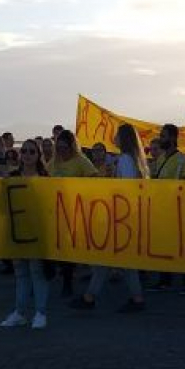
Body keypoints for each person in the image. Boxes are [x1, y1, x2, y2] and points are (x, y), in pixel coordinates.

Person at [69, 124, 148, 312]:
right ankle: (132, 298)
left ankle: (92, 297)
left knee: (107, 257)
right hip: (124, 217)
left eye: (117, 135)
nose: (114, 138)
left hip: (121, 217)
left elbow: (126, 190)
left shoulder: (126, 161)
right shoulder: (130, 160)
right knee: (120, 260)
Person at [0, 140, 51, 329]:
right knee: (21, 273)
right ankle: (20, 312)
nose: (28, 154)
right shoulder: (12, 176)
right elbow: (1, 205)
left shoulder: (46, 178)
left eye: (32, 151)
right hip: (17, 232)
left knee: (38, 272)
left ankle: (40, 312)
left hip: (37, 232)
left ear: (38, 155)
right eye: (24, 151)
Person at [50, 130, 100, 296]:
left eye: (65, 148)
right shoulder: (53, 162)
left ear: (72, 147)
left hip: (74, 212)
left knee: (68, 249)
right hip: (55, 212)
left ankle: (68, 282)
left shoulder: (80, 161)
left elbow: (95, 178)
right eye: (59, 148)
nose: (62, 152)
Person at [150, 124, 185, 294]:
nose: (161, 138)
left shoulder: (184, 160)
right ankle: (165, 281)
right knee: (165, 246)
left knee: (182, 248)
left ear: (172, 138)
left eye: (163, 136)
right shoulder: (161, 158)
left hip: (179, 211)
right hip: (163, 210)